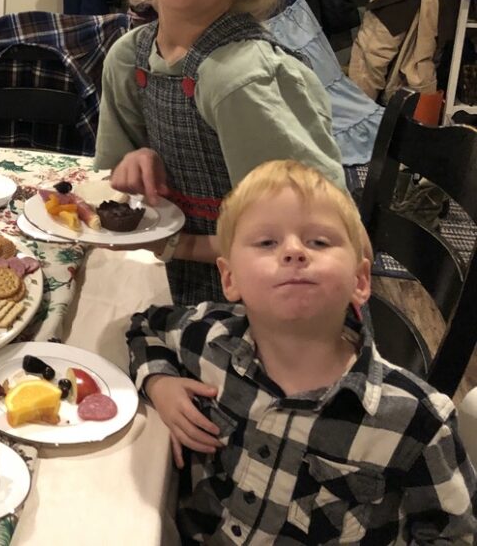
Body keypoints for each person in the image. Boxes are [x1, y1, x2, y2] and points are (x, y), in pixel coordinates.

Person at [128, 160, 477, 543]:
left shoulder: (417, 421)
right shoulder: (211, 338)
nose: (294, 251)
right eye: (267, 242)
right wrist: (160, 382)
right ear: (230, 278)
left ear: (360, 280)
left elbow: (453, 534)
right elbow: (146, 327)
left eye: (319, 242)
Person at [95, 0, 343, 305]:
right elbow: (113, 189)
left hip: (266, 317)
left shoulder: (239, 79)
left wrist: (177, 245)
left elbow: (316, 240)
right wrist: (134, 163)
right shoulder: (129, 59)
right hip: (170, 295)